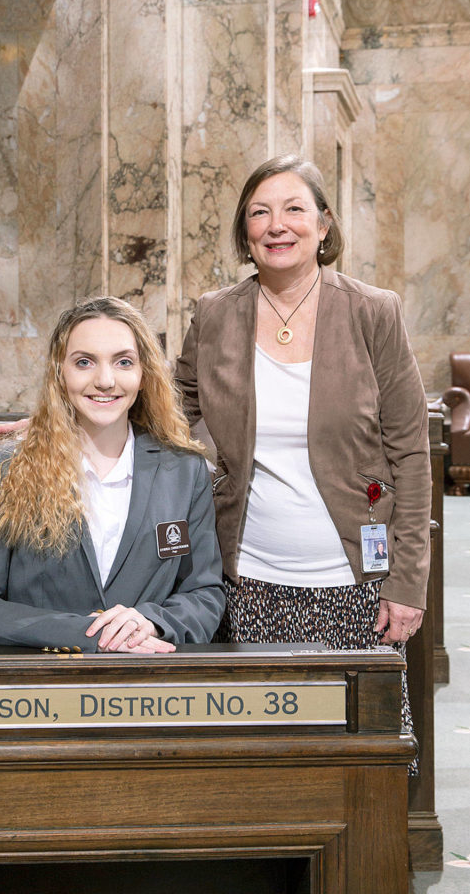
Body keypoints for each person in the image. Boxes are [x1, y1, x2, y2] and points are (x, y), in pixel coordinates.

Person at [174, 154, 431, 656]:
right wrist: (61, 423)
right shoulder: (215, 314)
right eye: (259, 212)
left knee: (357, 732)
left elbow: (412, 455)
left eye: (293, 209)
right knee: (254, 732)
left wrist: (408, 581)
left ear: (323, 223)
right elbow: (164, 410)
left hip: (357, 583)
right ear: (245, 231)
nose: (276, 226)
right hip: (242, 580)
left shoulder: (373, 312)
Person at [0, 296, 225, 653]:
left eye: (123, 362)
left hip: (150, 687)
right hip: (41, 689)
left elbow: (204, 594)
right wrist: (84, 634)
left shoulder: (183, 470)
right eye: (84, 362)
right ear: (60, 372)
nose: (105, 380)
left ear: (143, 373)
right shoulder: (7, 467)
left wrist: (151, 621)